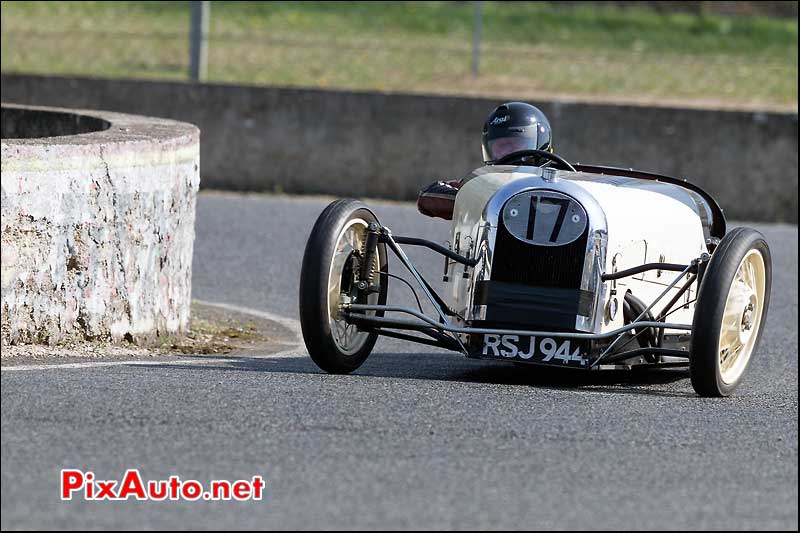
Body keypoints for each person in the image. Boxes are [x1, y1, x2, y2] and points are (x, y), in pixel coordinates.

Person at [416, 102, 554, 220]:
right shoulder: (484, 181)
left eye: (514, 144)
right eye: (500, 147)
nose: (507, 153)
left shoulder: (566, 177)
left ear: (541, 141)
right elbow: (427, 196)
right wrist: (476, 201)